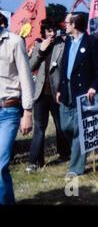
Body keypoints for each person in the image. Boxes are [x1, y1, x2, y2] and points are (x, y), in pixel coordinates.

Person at [57, 14, 98, 177]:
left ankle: (75, 167)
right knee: (65, 126)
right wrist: (59, 88)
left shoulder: (92, 42)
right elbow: (64, 67)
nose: (65, 25)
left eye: (67, 22)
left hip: (84, 91)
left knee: (79, 129)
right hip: (67, 89)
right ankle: (79, 151)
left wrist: (94, 87)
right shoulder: (68, 41)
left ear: (75, 24)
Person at [27, 18, 70, 173]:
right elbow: (31, 66)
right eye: (49, 31)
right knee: (39, 127)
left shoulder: (62, 45)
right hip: (40, 94)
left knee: (60, 125)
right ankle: (35, 161)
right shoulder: (39, 45)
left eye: (54, 30)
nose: (52, 33)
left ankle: (64, 153)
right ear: (44, 32)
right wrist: (40, 51)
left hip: (56, 92)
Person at [0, 12, 34, 204]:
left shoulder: (14, 41)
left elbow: (26, 77)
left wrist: (27, 111)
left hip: (8, 110)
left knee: (0, 165)